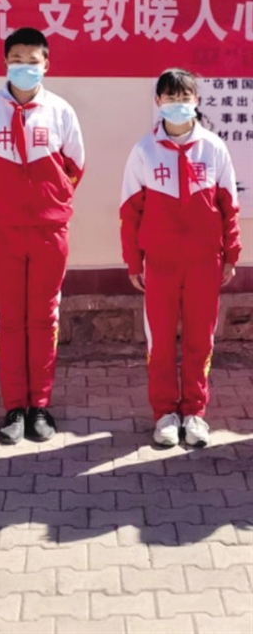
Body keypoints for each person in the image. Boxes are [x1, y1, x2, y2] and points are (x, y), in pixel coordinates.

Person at [0, 27, 84, 445]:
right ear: (5, 62)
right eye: (17, 60)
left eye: (33, 61)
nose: (25, 67)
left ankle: (40, 406)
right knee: (9, 318)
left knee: (45, 317)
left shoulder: (60, 111)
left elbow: (74, 167)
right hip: (2, 232)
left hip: (49, 231)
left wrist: (49, 204)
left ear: (46, 64)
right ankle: (15, 406)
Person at [120, 68, 240, 448]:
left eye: (184, 97)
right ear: (158, 102)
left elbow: (229, 207)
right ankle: (165, 415)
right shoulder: (144, 151)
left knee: (199, 341)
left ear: (197, 101)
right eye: (170, 98)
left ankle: (194, 413)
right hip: (160, 263)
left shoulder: (213, 148)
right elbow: (130, 212)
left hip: (205, 262)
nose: (177, 104)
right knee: (160, 343)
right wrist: (133, 261)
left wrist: (231, 254)